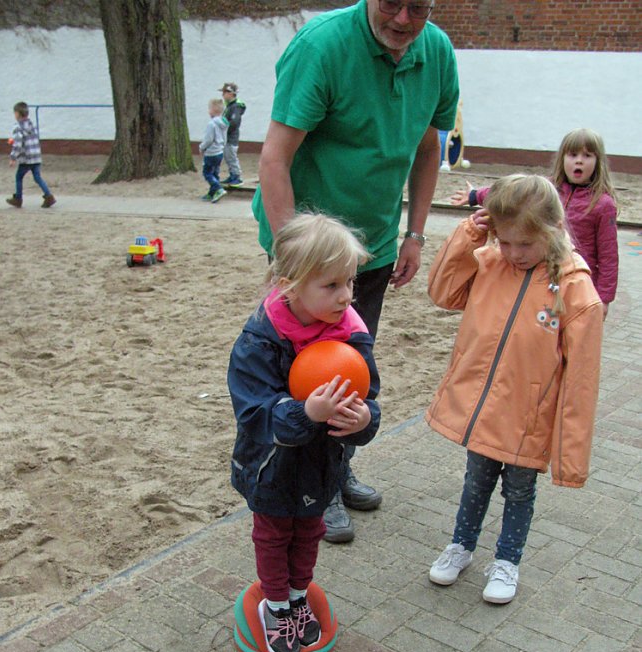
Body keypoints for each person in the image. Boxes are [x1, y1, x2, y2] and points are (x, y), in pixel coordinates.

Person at [252, 0, 460, 543]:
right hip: (308, 253)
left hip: (372, 248)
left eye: (419, 7)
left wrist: (414, 232)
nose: (402, 18)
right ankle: (308, 489)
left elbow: (426, 148)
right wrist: (291, 264)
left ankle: (337, 470)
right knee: (301, 372)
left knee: (350, 363)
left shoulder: (435, 50)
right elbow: (274, 159)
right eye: (391, 2)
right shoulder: (322, 46)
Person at [426, 174, 603, 604]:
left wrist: (570, 457)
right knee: (475, 482)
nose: (513, 253)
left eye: (524, 244)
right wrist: (471, 234)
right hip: (483, 412)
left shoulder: (576, 291)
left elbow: (582, 383)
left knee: (520, 491)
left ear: (554, 231)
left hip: (528, 418)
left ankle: (507, 560)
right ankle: (461, 546)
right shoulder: (489, 262)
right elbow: (443, 292)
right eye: (504, 241)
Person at [227, 212, 381, 652]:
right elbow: (253, 410)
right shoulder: (261, 339)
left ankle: (298, 595)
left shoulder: (351, 335)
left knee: (309, 530)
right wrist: (304, 412)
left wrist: (363, 420)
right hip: (271, 464)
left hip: (322, 464)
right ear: (290, 285)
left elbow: (368, 393)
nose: (347, 295)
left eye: (350, 282)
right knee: (275, 533)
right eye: (331, 285)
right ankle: (276, 605)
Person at [451, 128, 618, 319]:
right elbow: (511, 195)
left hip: (576, 278)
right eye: (572, 155)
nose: (579, 160)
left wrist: (604, 299)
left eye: (587, 155)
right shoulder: (547, 189)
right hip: (541, 270)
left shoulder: (603, 204)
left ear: (598, 162)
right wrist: (475, 195)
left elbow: (608, 257)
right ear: (562, 158)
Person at [6, 101, 55, 209]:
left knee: (19, 176)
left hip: (26, 158)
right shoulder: (31, 124)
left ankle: (18, 198)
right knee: (37, 177)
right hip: (36, 156)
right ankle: (49, 196)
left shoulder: (18, 127)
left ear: (18, 114)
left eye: (14, 113)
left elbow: (18, 143)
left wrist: (13, 157)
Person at [198, 98, 228, 203]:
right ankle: (212, 193)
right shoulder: (224, 123)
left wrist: (202, 147)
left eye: (209, 108)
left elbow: (208, 139)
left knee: (207, 173)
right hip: (219, 152)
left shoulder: (211, 124)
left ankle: (218, 188)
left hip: (211, 153)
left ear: (213, 110)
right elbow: (224, 138)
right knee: (215, 172)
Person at [219, 82, 246, 187]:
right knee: (227, 156)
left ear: (231, 93)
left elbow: (234, 122)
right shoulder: (230, 106)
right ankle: (232, 175)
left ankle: (237, 177)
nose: (223, 95)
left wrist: (225, 129)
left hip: (231, 137)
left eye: (224, 92)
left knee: (231, 156)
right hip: (227, 137)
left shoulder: (235, 107)